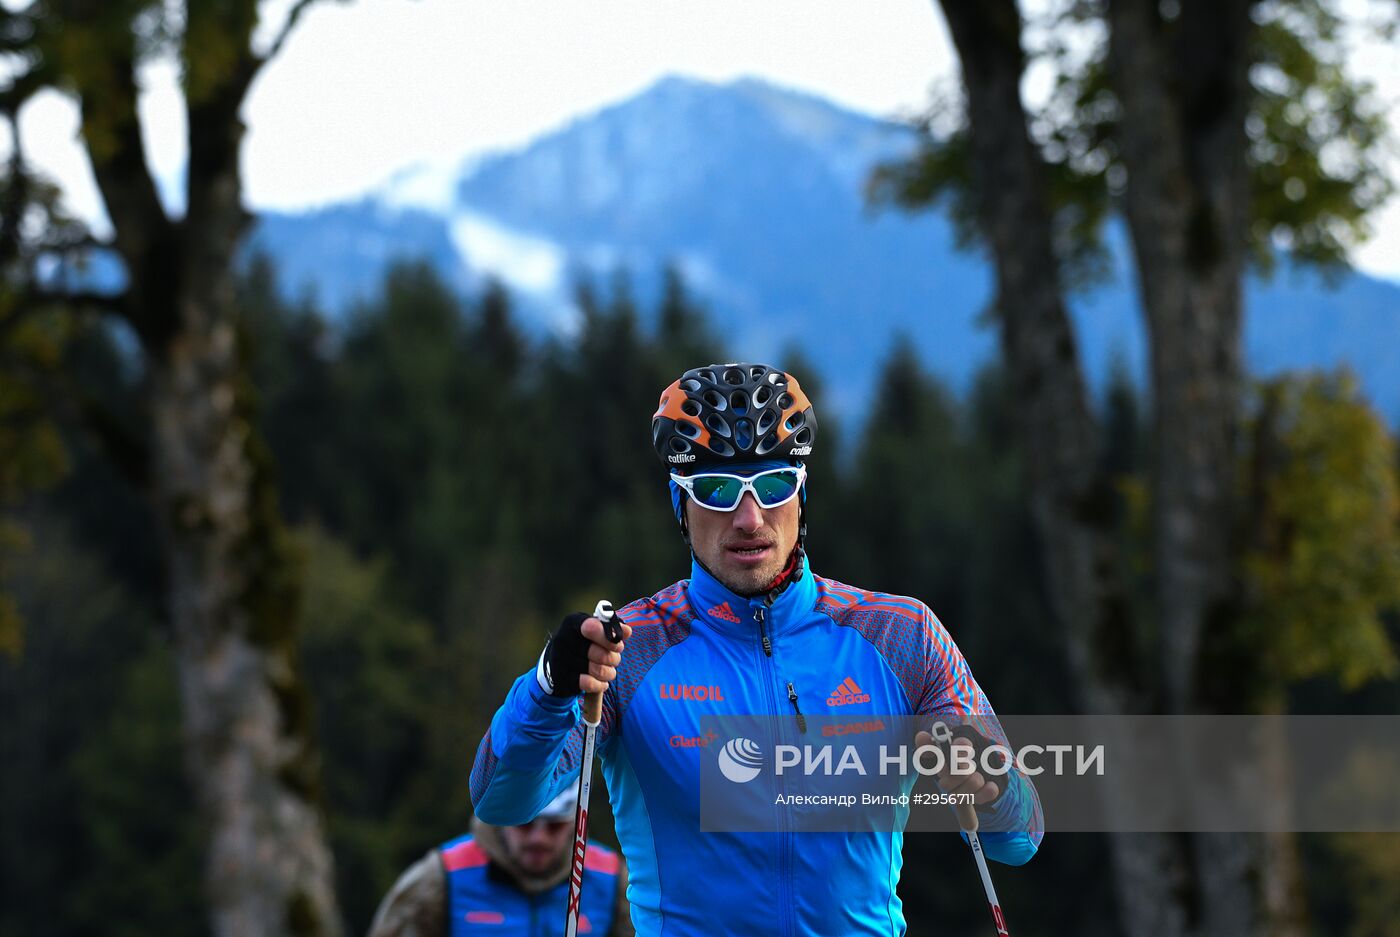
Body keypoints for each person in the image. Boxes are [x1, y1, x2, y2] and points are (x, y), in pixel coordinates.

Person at [470, 362, 1043, 936]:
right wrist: (548, 689)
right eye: (717, 491)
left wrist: (990, 783)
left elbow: (1021, 839)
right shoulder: (631, 649)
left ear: (801, 494)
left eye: (773, 487)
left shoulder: (901, 635)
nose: (749, 519)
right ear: (680, 504)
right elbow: (501, 802)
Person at [367, 785, 632, 936]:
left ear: (574, 823)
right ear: (503, 817)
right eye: (524, 826)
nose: (539, 839)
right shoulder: (442, 875)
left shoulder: (612, 880)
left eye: (554, 827)